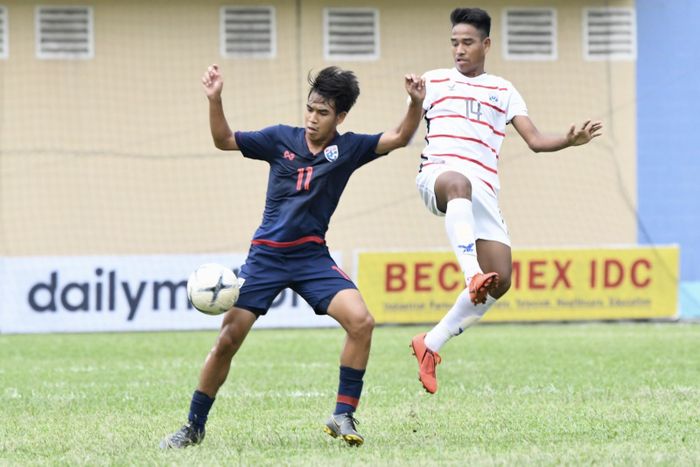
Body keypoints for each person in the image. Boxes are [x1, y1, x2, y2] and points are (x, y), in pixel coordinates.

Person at [160, 64, 425, 448]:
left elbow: (400, 137)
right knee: (228, 339)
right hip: (266, 258)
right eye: (310, 109)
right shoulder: (278, 138)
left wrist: (415, 103)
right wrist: (215, 98)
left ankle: (343, 414)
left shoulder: (348, 148)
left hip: (312, 259)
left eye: (322, 113)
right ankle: (192, 427)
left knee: (362, 322)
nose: (312, 118)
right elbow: (223, 140)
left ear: (341, 117)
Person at [410, 7, 602, 394]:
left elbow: (535, 141)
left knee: (502, 282)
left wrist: (568, 140)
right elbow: (405, 130)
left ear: (486, 44)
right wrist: (415, 102)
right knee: (459, 185)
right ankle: (470, 275)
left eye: (466, 42)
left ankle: (430, 344)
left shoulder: (503, 90)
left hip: (483, 189)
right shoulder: (431, 82)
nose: (459, 50)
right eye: (454, 43)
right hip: (440, 177)